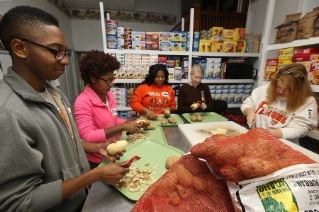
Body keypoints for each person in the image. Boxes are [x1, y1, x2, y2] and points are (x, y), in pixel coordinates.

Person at [0, 6, 129, 212]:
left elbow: (71, 141)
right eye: (56, 51)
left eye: (65, 52)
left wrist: (97, 148)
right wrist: (94, 175)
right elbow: (17, 203)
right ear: (20, 48)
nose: (66, 60)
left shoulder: (55, 94)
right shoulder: (8, 112)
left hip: (81, 201)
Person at [74, 50, 141, 169]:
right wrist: (121, 127)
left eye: (112, 79)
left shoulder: (109, 96)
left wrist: (127, 123)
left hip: (113, 151)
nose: (110, 84)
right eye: (107, 80)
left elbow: (113, 120)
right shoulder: (82, 101)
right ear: (93, 78)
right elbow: (86, 136)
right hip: (96, 158)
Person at [241, 63, 319, 145]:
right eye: (278, 86)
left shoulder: (307, 101)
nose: (281, 91)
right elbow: (247, 104)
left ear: (298, 89)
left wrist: (264, 133)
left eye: (287, 89)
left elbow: (298, 130)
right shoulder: (265, 89)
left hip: (282, 147)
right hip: (256, 140)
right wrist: (250, 112)